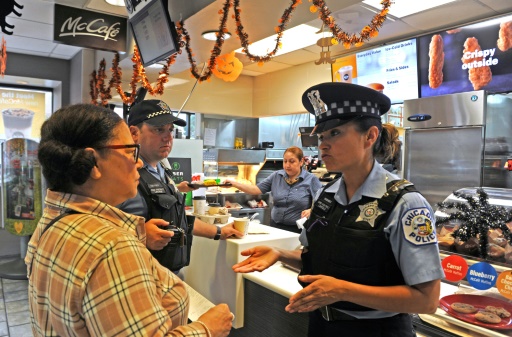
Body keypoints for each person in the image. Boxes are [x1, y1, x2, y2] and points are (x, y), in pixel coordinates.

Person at [232, 82, 444, 337]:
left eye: (335, 134)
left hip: (375, 331)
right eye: (322, 137)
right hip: (322, 323)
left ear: (370, 136)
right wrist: (280, 253)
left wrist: (342, 291)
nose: (323, 145)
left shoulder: (405, 203)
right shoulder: (326, 195)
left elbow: (426, 300)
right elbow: (328, 261)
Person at [26, 104, 233, 336]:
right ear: (94, 163)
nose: (138, 162)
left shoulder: (51, 223)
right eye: (130, 151)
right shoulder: (114, 247)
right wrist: (207, 329)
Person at [118, 99, 243, 273]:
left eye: (170, 130)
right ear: (134, 133)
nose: (168, 137)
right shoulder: (121, 174)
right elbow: (97, 227)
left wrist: (218, 232)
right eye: (158, 129)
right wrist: (140, 234)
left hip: (169, 276)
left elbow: (178, 220)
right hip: (139, 279)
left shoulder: (162, 169)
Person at [225, 146, 322, 233]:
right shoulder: (276, 176)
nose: (287, 165)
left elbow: (321, 204)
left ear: (301, 162)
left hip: (298, 230)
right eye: (285, 161)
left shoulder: (311, 180)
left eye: (292, 161)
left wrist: (311, 210)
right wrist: (234, 183)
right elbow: (255, 189)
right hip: (276, 227)